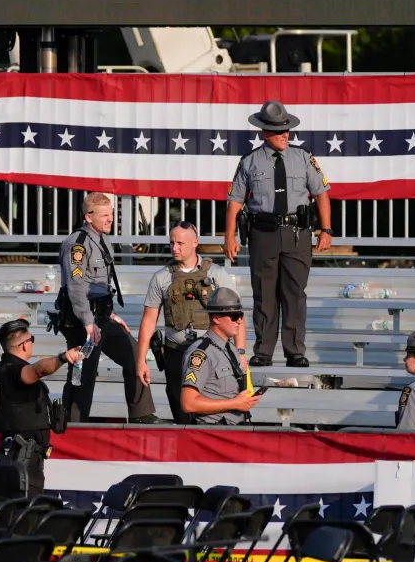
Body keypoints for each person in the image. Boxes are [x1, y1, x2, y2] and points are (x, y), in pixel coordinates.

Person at [224, 100, 334, 369]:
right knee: (264, 294)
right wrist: (229, 236)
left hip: (297, 234)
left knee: (295, 294)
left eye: (287, 130)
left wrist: (326, 229)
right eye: (278, 131)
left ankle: (295, 351)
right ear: (264, 133)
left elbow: (321, 193)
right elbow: (235, 201)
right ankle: (263, 351)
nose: (285, 135)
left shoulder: (303, 158)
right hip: (263, 234)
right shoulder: (249, 162)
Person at [56, 192, 159, 423]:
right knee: (83, 373)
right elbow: (76, 287)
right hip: (83, 320)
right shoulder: (78, 245)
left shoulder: (102, 239)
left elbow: (100, 285)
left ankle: (142, 414)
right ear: (88, 217)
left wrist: (110, 314)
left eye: (111, 214)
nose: (110, 219)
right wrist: (88, 323)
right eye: (105, 215)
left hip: (101, 316)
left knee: (135, 354)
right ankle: (72, 423)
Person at [135, 221, 244, 424]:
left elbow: (237, 315)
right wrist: (141, 360)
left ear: (195, 243)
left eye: (180, 243)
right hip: (176, 352)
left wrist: (241, 353)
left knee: (212, 411)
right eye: (171, 243)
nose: (174, 248)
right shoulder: (161, 277)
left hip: (211, 354)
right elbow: (149, 320)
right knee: (181, 411)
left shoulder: (216, 274)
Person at [0, 318, 83, 496]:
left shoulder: (1, 371)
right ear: (25, 345)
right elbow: (38, 370)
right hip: (23, 462)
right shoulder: (12, 371)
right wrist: (63, 357)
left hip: (20, 458)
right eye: (31, 340)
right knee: (25, 513)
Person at [180, 288, 261, 425]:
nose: (239, 321)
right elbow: (188, 403)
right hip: (212, 433)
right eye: (234, 316)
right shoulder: (201, 354)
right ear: (216, 318)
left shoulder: (231, 349)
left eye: (240, 315)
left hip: (234, 430)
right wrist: (234, 403)